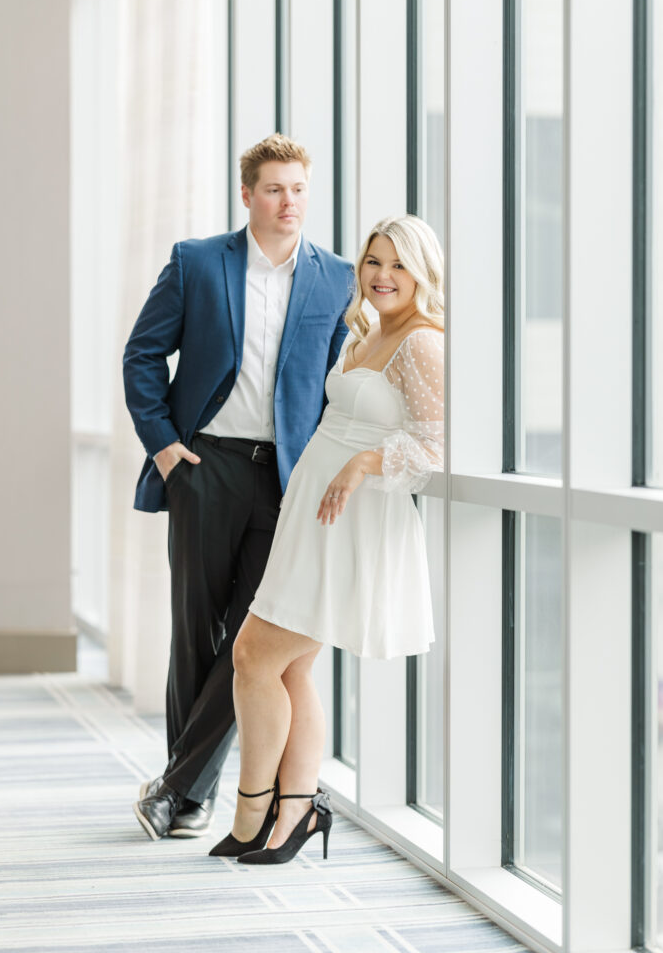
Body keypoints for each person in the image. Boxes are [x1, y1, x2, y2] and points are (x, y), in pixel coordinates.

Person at [123, 133, 353, 841]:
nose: (289, 203)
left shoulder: (336, 277)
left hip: (287, 480)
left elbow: (342, 380)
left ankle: (176, 789)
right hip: (206, 467)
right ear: (248, 195)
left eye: (299, 190)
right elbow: (143, 353)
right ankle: (189, 795)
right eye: (275, 189)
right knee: (196, 631)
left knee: (250, 641)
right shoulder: (196, 262)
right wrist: (164, 448)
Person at [208, 213, 444, 864]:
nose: (382, 276)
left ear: (421, 271)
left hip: (354, 525)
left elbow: (438, 445)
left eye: (397, 264)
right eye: (373, 262)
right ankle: (292, 813)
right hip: (312, 517)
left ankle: (257, 814)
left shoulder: (423, 342)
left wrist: (363, 463)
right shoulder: (366, 333)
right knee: (290, 665)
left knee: (255, 654)